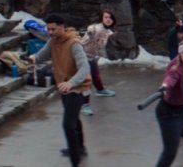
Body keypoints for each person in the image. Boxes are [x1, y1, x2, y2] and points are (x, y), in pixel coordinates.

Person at [29, 14, 92, 167]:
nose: (50, 32)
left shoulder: (74, 44)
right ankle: (80, 147)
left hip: (77, 88)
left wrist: (71, 83)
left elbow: (85, 67)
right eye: (48, 29)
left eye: (53, 29)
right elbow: (42, 56)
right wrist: (32, 59)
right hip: (63, 86)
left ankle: (75, 159)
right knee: (74, 120)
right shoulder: (53, 41)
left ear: (62, 27)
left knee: (68, 124)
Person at [79, 10, 118, 116]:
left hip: (93, 56)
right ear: (102, 18)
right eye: (106, 17)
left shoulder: (108, 32)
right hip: (82, 56)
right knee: (87, 80)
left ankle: (100, 90)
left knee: (95, 76)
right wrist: (90, 33)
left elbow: (100, 45)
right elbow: (90, 31)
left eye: (110, 17)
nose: (108, 19)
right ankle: (85, 105)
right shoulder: (95, 28)